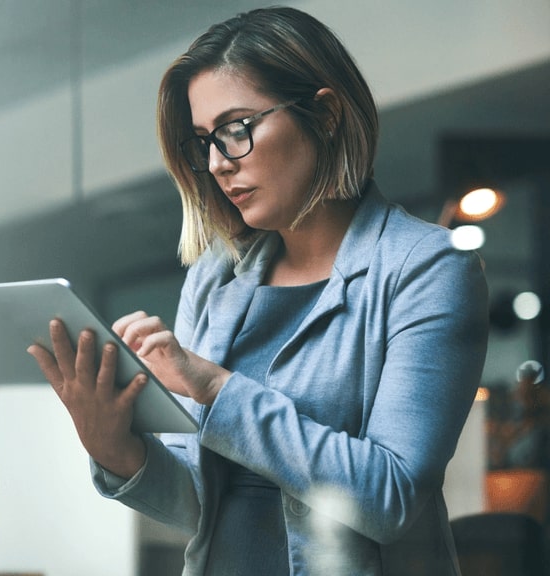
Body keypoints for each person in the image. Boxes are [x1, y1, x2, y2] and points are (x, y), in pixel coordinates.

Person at [28, 6, 489, 575]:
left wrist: (216, 387)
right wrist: (111, 444)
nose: (219, 164)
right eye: (205, 141)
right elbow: (198, 504)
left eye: (237, 128)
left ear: (325, 114)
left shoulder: (425, 267)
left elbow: (390, 496)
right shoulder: (215, 278)